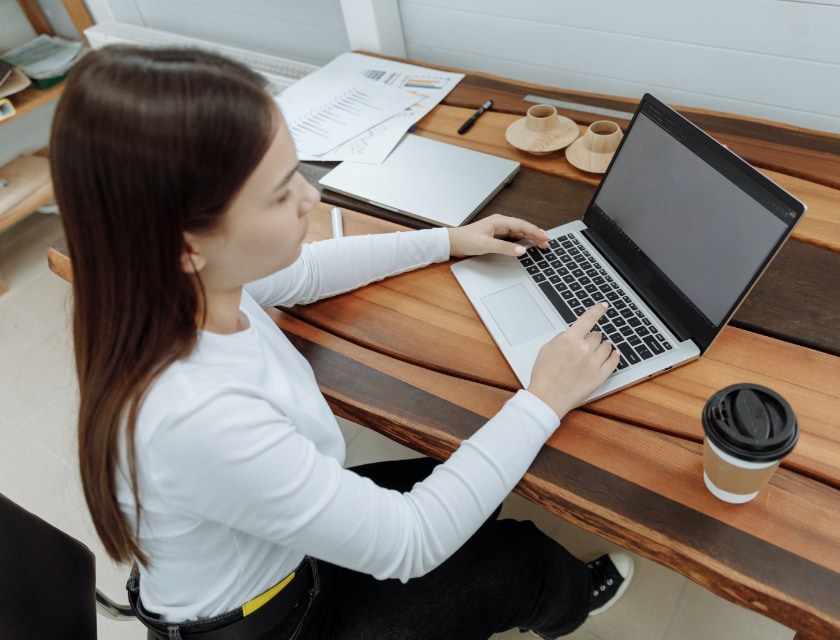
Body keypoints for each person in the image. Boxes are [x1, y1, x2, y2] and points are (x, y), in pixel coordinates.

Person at [50, 45, 633, 640]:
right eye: (281, 193)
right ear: (187, 243)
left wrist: (449, 240)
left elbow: (305, 273)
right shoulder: (194, 415)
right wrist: (544, 397)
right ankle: (564, 597)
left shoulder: (170, 282)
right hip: (281, 620)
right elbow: (412, 540)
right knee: (519, 558)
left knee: (459, 471)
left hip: (278, 557)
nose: (314, 198)